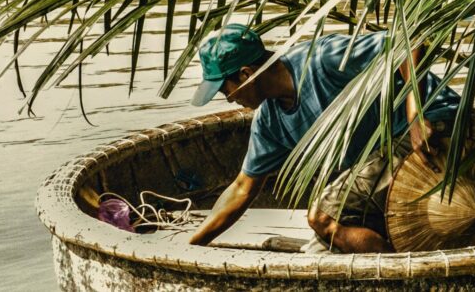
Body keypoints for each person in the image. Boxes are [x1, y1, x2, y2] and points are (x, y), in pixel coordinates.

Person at [186, 24, 459, 253]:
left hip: (434, 128)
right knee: (319, 250)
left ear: (246, 75)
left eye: (226, 91)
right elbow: (242, 188)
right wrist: (193, 245)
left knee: (323, 217)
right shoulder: (269, 122)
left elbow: (406, 40)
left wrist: (416, 114)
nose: (230, 99)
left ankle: (405, 277)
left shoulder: (322, 59)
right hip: (382, 163)